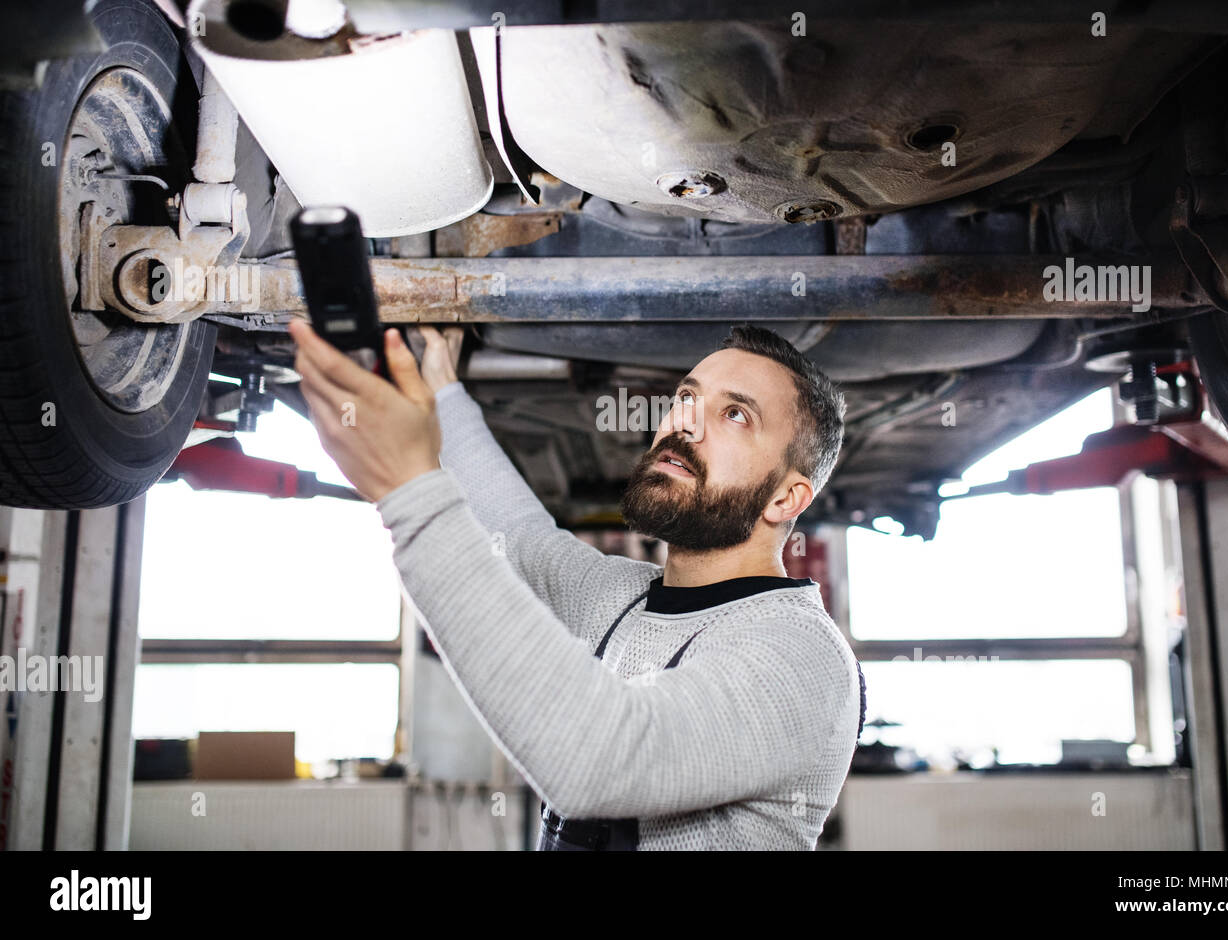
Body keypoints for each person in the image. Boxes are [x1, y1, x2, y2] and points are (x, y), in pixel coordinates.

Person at [288, 318, 866, 850]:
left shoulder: (804, 656)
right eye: (687, 398)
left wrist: (408, 492)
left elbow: (603, 762)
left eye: (735, 414)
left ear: (787, 497)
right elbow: (516, 535)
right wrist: (443, 390)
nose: (685, 422)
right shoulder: (622, 598)